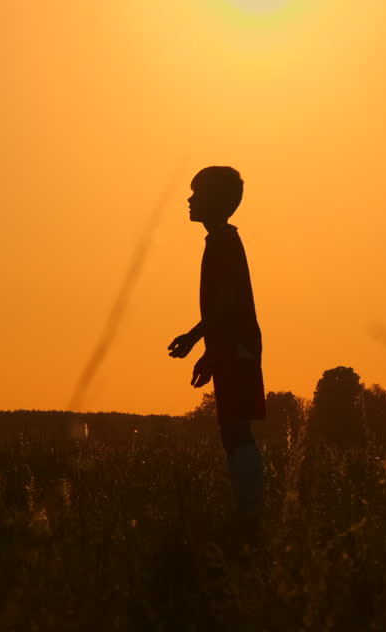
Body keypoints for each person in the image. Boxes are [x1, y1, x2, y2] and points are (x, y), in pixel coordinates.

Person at [167, 166, 265, 527]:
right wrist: (210, 352)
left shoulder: (224, 242)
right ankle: (248, 511)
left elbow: (226, 303)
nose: (190, 200)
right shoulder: (220, 241)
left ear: (216, 201)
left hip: (238, 348)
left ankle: (250, 515)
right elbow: (226, 307)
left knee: (236, 430)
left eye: (197, 194)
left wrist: (194, 339)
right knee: (232, 429)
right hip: (231, 347)